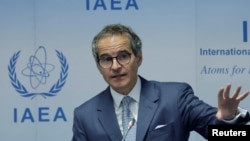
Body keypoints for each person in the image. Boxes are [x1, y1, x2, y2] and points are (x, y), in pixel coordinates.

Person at [71, 23, 250, 141]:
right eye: (106, 59)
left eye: (124, 56)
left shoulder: (175, 97)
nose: (116, 66)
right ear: (98, 66)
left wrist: (227, 119)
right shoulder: (85, 115)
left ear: (138, 58)